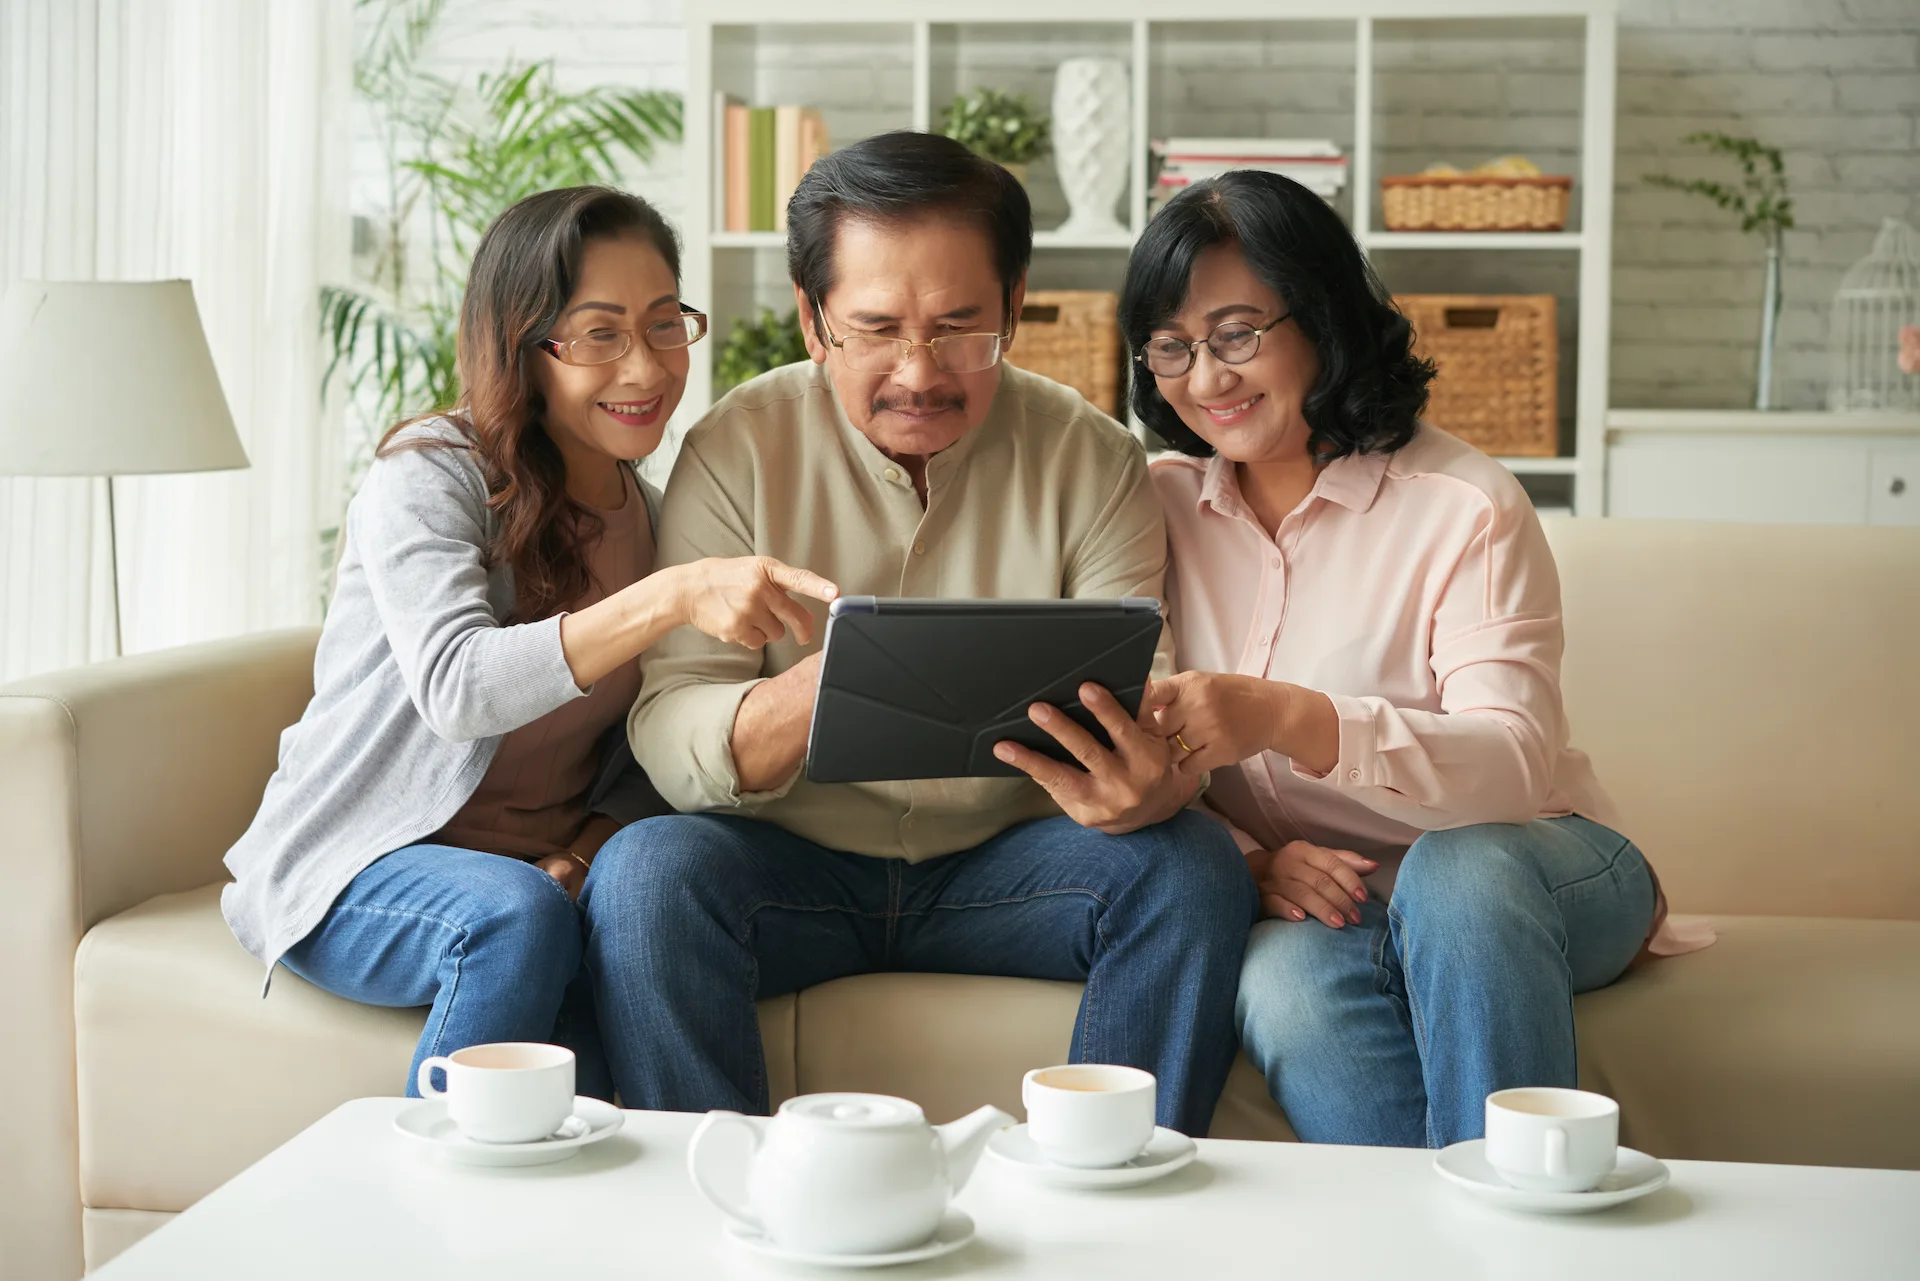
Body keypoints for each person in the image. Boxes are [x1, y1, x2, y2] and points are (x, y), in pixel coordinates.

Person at [582, 132, 1256, 1135]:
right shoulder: (735, 448)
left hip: (1013, 865)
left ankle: (1110, 1206)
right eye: (876, 328)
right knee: (645, 876)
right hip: (788, 870)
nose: (918, 372)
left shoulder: (1092, 456)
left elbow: (1152, 697)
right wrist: (821, 690)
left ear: (1015, 306)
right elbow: (673, 722)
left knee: (1190, 864)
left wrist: (1154, 780)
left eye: (958, 327)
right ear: (813, 322)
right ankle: (726, 1214)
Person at [1121, 170, 1710, 1150]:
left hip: (1530, 866)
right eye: (1174, 347)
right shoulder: (1154, 508)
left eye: (1237, 334)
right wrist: (1256, 860)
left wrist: (1287, 716)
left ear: (1322, 316)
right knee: (1279, 980)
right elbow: (1124, 753)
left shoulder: (1462, 504)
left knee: (1457, 875)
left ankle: (1524, 1220)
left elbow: (1512, 768)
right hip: (1338, 899)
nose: (1209, 378)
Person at [221, 186, 835, 1098]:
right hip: (358, 866)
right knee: (513, 916)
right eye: (599, 334)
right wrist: (668, 597)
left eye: (666, 324)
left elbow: (645, 745)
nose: (646, 368)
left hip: (539, 876)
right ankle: (430, 1209)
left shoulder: (652, 516)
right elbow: (456, 687)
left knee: (598, 1001)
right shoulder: (430, 472)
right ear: (523, 343)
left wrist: (585, 852)